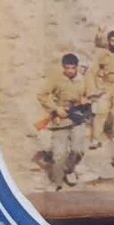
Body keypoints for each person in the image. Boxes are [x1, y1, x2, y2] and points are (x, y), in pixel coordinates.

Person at [38, 54, 94, 191]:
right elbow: (42, 95)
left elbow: (92, 94)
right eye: (67, 68)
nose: (70, 71)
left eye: (73, 68)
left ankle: (69, 170)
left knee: (77, 150)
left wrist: (87, 99)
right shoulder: (56, 78)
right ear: (63, 67)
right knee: (59, 154)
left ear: (77, 67)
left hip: (78, 117)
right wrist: (56, 108)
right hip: (61, 118)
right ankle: (57, 181)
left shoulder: (84, 79)